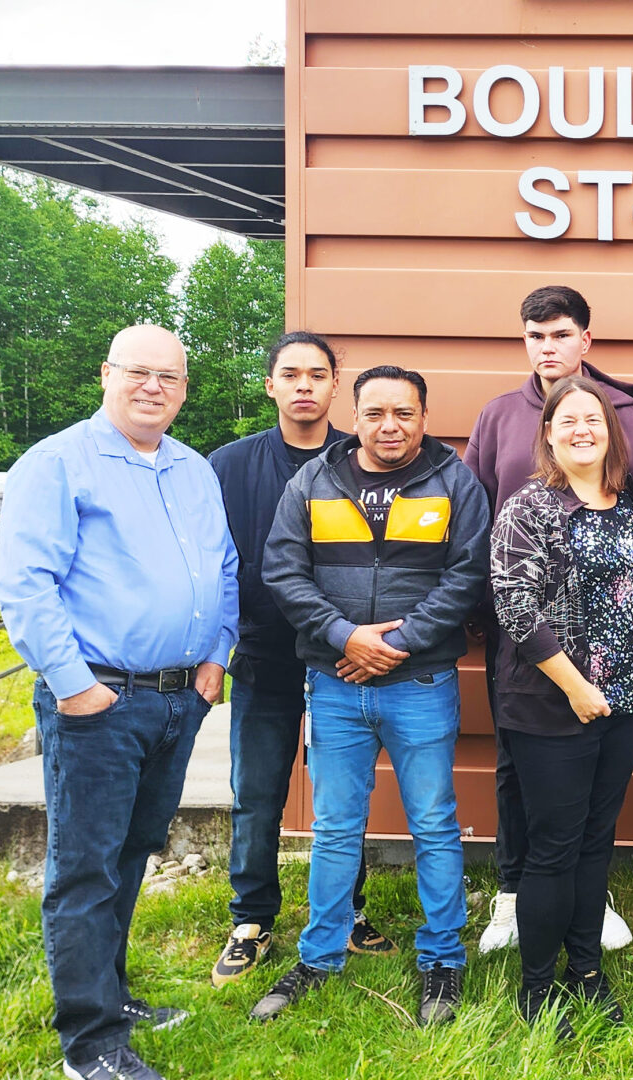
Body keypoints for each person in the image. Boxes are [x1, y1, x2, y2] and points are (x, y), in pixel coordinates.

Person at [0, 324, 238, 1080]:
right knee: (86, 869)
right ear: (107, 374)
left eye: (170, 377)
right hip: (97, 700)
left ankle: (112, 992)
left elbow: (222, 565)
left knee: (132, 854)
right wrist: (75, 685)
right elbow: (25, 584)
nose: (153, 387)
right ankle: (90, 1041)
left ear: (185, 388)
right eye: (138, 372)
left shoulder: (193, 469)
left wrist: (215, 655)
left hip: (175, 699)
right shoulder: (59, 463)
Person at [251, 366, 490, 1028]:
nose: (391, 425)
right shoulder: (313, 481)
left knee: (435, 824)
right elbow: (283, 569)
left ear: (423, 416)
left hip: (420, 683)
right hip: (334, 685)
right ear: (353, 415)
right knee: (334, 827)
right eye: (377, 412)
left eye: (405, 413)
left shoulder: (456, 482)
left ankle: (442, 958)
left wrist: (397, 642)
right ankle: (319, 956)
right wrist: (342, 636)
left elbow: (468, 574)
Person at [468, 284, 633, 957]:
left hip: (615, 655)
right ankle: (513, 895)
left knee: (584, 808)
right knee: (518, 772)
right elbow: (476, 524)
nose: (547, 348)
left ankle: (585, 905)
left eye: (559, 335)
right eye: (535, 336)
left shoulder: (626, 414)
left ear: (585, 339)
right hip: (525, 645)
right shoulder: (497, 416)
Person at [207, 331, 396, 987]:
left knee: (343, 796)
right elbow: (215, 567)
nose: (305, 385)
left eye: (318, 374)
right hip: (264, 658)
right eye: (291, 374)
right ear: (270, 385)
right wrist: (214, 647)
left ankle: (347, 911)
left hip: (347, 660)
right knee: (257, 793)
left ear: (335, 385)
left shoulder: (366, 461)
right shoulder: (230, 466)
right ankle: (251, 919)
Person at [489, 376, 633, 1037]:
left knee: (596, 843)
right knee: (554, 848)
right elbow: (515, 606)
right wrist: (575, 685)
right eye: (570, 420)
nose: (583, 428)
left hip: (621, 704)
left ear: (610, 432)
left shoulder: (630, 506)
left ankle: (585, 971)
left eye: (595, 418)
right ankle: (537, 989)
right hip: (552, 704)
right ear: (551, 435)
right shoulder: (530, 508)